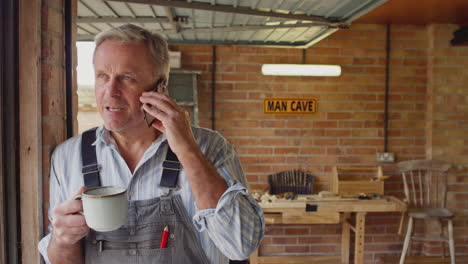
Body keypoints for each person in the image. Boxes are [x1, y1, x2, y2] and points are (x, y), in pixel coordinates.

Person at [38, 24, 264, 264]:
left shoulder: (211, 147)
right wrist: (62, 241)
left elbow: (240, 246)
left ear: (160, 86)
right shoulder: (68, 157)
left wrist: (187, 149)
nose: (110, 91)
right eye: (102, 76)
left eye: (127, 78)